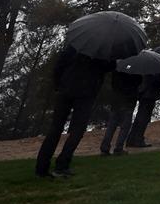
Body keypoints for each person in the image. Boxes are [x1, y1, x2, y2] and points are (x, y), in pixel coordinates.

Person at [35, 42, 110, 179]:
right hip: (86, 93)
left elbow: (59, 66)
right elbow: (109, 67)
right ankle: (62, 164)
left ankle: (41, 167)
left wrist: (58, 85)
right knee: (77, 130)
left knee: (55, 129)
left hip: (66, 90)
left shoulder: (75, 45)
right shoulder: (102, 51)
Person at [99, 68, 140, 155]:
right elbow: (138, 82)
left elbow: (114, 84)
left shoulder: (117, 68)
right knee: (125, 126)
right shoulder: (135, 70)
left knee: (111, 125)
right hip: (128, 100)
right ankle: (119, 148)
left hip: (116, 100)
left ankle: (105, 147)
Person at [126, 71, 160, 148]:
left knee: (139, 118)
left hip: (144, 94)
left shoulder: (147, 68)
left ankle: (131, 139)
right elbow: (155, 80)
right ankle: (138, 140)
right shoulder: (157, 69)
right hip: (150, 95)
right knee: (144, 119)